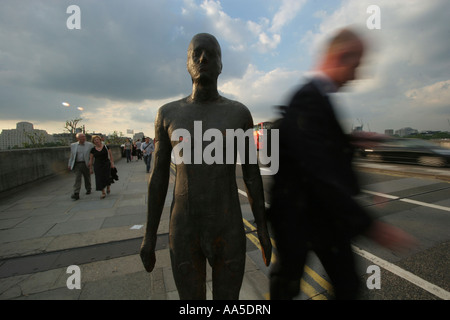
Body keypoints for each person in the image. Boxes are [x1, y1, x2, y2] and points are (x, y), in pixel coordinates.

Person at [268, 28, 415, 300]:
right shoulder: (308, 98)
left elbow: (316, 145)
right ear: (342, 56)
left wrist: (350, 140)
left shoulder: (316, 98)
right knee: (291, 285)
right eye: (356, 65)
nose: (357, 75)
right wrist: (371, 226)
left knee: (342, 285)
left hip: (320, 218)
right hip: (305, 218)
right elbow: (317, 172)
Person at [139, 33, 272, 300]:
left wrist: (263, 231)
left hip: (228, 228)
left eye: (211, 54)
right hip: (184, 229)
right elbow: (159, 177)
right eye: (196, 53)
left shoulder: (238, 114)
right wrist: (149, 236)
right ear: (187, 63)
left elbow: (252, 177)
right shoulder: (167, 114)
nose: (203, 58)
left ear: (221, 65)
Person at [68, 133, 93, 200]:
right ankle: (76, 193)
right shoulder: (73, 145)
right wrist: (69, 164)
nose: (83, 138)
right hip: (77, 164)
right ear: (78, 138)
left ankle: (88, 188)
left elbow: (92, 155)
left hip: (86, 163)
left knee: (87, 177)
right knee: (77, 178)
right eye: (82, 137)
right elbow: (72, 156)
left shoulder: (89, 145)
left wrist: (91, 163)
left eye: (84, 137)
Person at [89, 135, 115, 199]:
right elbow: (91, 159)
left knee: (107, 176)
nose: (96, 141)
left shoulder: (106, 147)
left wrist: (112, 163)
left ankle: (108, 186)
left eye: (97, 139)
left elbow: (111, 156)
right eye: (95, 140)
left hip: (106, 164)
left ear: (100, 140)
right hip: (98, 165)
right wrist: (90, 168)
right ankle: (103, 192)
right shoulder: (92, 150)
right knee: (99, 178)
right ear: (93, 142)